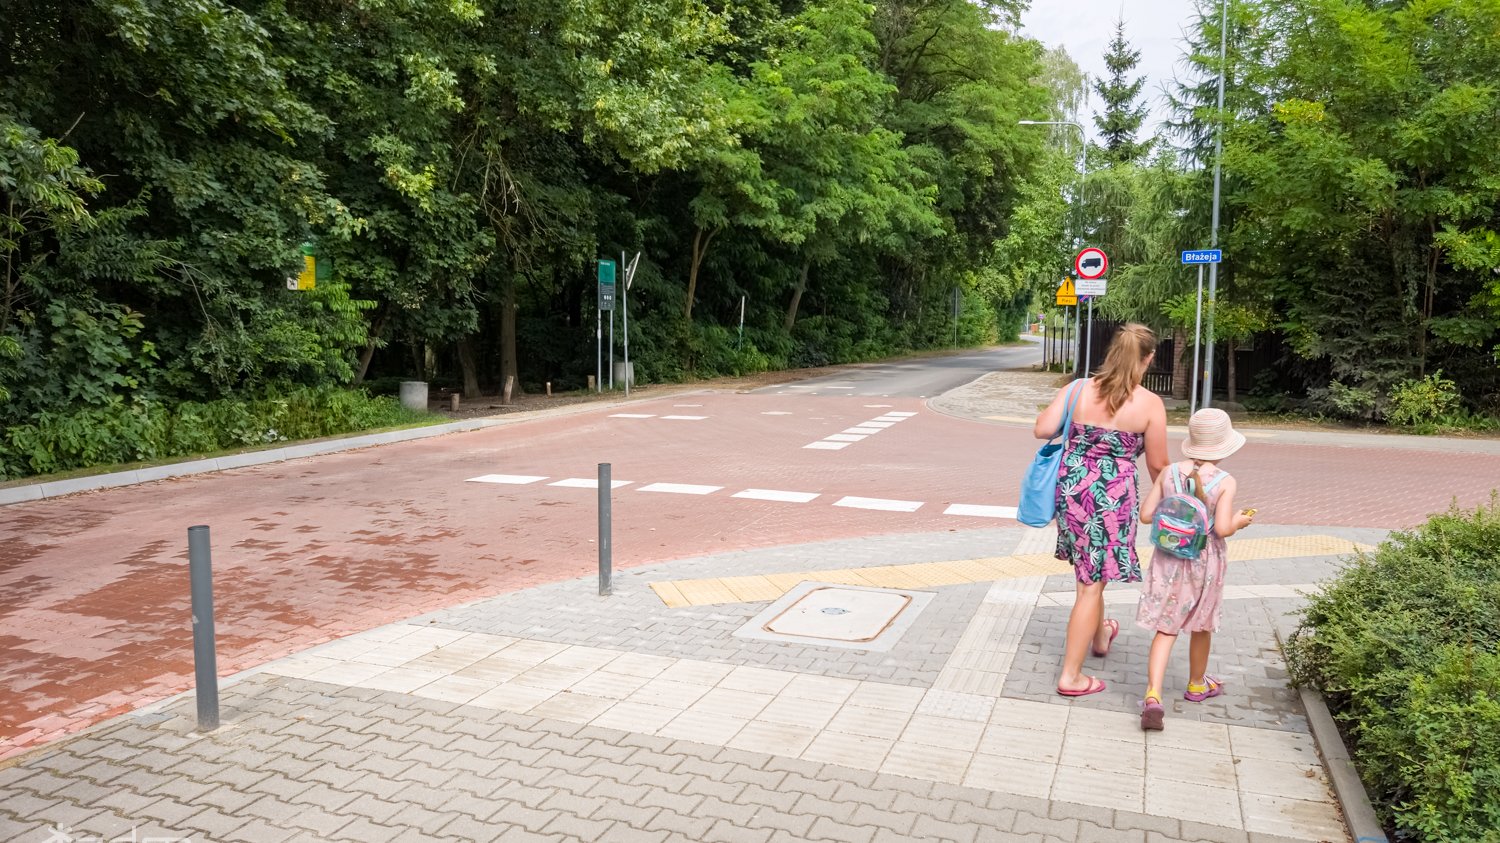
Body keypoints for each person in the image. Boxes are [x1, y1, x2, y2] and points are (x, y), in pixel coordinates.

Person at [1033, 323, 1168, 697]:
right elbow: (1158, 464)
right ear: (1149, 358)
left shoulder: (1076, 389)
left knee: (1092, 571)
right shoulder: (1149, 404)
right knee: (1090, 584)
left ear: (1112, 352)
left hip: (1073, 490)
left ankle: (1101, 636)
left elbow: (1043, 429)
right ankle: (1071, 676)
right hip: (1113, 497)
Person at [1134, 408, 1254, 731]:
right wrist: (1241, 520)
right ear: (1224, 446)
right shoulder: (1225, 481)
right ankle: (1197, 684)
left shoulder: (1169, 472)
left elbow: (1146, 515)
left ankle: (1153, 694)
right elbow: (1224, 528)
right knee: (1201, 624)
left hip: (1169, 558)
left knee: (1166, 627)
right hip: (1205, 562)